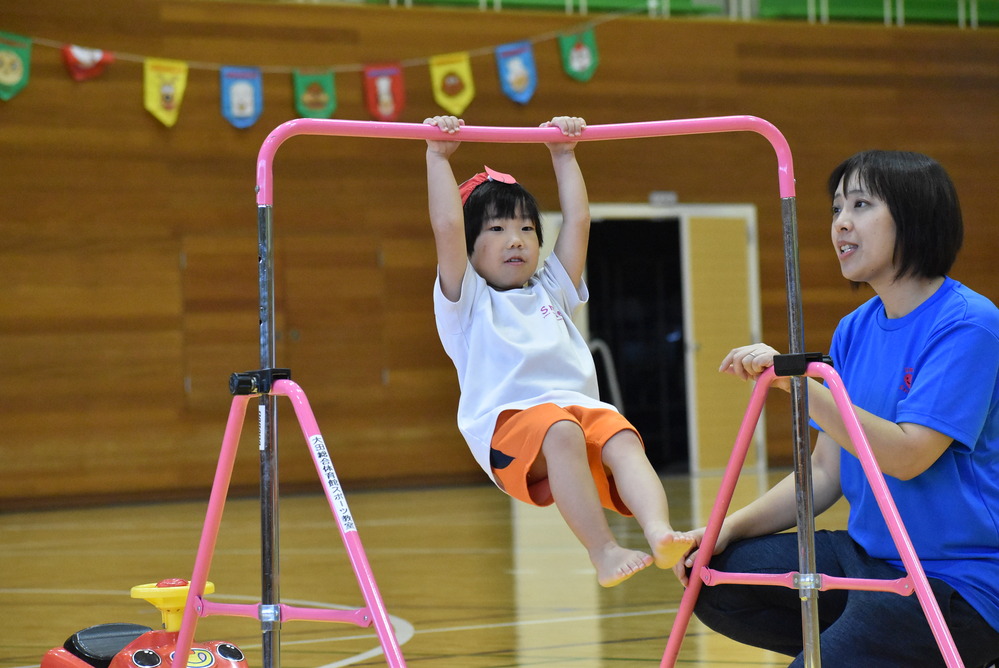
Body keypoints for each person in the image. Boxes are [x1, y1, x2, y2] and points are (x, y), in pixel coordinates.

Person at [675, 150, 999, 666]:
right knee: (717, 580)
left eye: (861, 204)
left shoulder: (969, 325)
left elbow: (909, 455)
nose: (841, 223)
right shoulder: (854, 328)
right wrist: (723, 530)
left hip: (955, 584)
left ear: (913, 219)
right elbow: (825, 472)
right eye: (835, 208)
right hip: (869, 562)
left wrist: (800, 385)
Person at [425, 114, 693, 587]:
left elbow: (579, 219)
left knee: (622, 436)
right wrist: (437, 156)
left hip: (574, 411)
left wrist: (564, 154)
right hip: (508, 428)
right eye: (497, 229)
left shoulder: (552, 288)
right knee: (561, 429)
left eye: (528, 229)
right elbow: (447, 224)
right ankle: (604, 550)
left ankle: (660, 532)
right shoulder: (466, 302)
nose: (516, 239)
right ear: (468, 250)